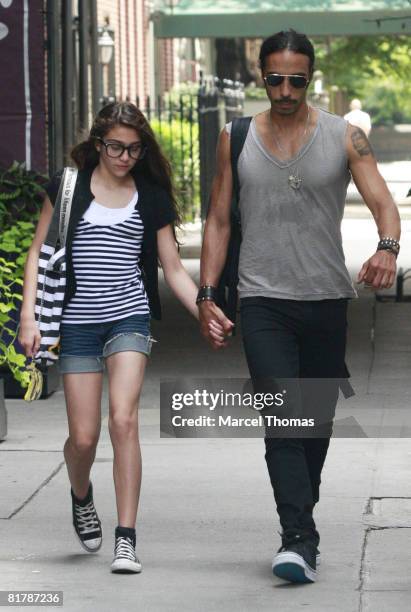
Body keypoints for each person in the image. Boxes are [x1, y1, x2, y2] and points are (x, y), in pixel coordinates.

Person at [198, 30, 400, 584]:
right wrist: (207, 294)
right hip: (262, 299)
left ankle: (299, 518)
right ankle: (297, 539)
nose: (285, 90)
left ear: (311, 78)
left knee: (314, 425)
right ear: (260, 76)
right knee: (283, 420)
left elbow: (384, 203)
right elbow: (218, 219)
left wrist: (387, 249)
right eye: (274, 78)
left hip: (327, 299)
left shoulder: (344, 136)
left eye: (297, 79)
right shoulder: (234, 136)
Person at [18, 101, 224, 574]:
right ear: (97, 144)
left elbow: (172, 268)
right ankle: (81, 492)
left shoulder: (149, 194)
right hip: (76, 325)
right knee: (84, 438)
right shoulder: (67, 188)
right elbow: (37, 253)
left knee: (124, 421)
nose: (124, 157)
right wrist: (29, 317)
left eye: (134, 149)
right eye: (115, 147)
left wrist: (204, 309)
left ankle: (126, 538)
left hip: (128, 317)